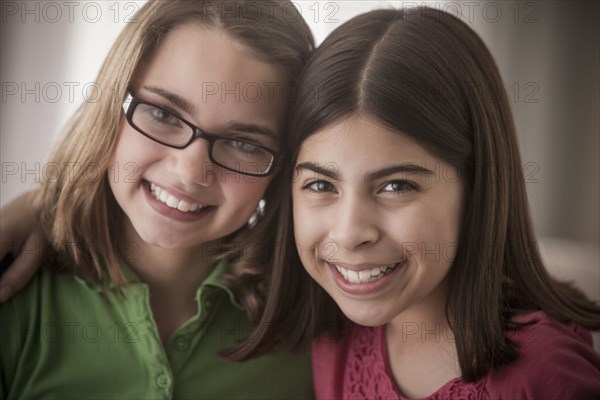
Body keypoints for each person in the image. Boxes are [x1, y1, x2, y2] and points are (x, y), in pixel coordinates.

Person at [238, 7, 600, 399]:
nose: (349, 234)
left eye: (396, 186)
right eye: (321, 184)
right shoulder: (331, 335)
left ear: (477, 186)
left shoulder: (547, 376)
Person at [0, 0, 315, 398]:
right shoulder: (18, 293)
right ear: (112, 104)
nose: (189, 172)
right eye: (164, 114)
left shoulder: (305, 324)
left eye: (242, 143)